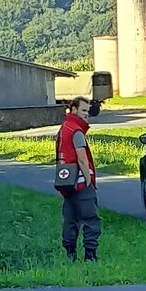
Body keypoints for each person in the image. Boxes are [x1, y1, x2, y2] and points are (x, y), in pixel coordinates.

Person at [55, 96, 101, 262]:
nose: (86, 114)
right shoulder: (76, 131)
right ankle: (90, 255)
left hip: (67, 181)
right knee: (91, 218)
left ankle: (70, 254)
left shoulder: (64, 128)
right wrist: (89, 179)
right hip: (81, 182)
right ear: (73, 109)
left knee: (70, 219)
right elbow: (82, 158)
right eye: (83, 110)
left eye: (87, 111)